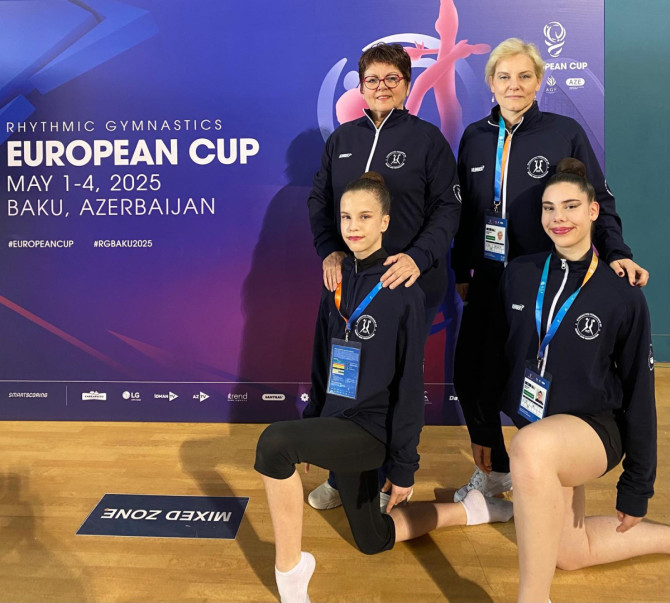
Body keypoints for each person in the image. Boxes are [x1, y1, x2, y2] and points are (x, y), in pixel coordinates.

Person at [256, 173, 510, 603]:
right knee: (373, 539)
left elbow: (410, 384)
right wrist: (313, 423)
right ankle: (472, 509)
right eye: (346, 217)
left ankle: (291, 569)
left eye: (365, 217)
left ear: (385, 222)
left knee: (274, 443)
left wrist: (404, 466)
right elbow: (321, 361)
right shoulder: (335, 278)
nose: (353, 226)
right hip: (337, 424)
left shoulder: (401, 288)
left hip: (372, 432)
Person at [451, 38, 650, 502]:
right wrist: (462, 268)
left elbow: (598, 198)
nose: (514, 85)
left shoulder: (564, 132)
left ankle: (546, 469)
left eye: (524, 76)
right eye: (504, 77)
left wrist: (617, 252)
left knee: (537, 371)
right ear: (491, 83)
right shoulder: (475, 136)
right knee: (472, 374)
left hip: (545, 282)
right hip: (491, 277)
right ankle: (495, 472)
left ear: (539, 81)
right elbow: (466, 211)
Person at [468, 158, 668, 602]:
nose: (559, 218)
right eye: (549, 208)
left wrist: (637, 487)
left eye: (571, 206)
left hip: (595, 429)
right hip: (542, 424)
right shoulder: (520, 274)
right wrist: (484, 430)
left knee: (529, 448)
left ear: (593, 211)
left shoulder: (622, 294)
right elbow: (494, 359)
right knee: (571, 552)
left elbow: (640, 394)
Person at [307, 42, 461, 510]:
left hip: (407, 285)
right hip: (351, 284)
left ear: (407, 85)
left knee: (395, 382)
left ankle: (390, 475)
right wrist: (330, 250)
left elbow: (448, 208)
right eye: (372, 79)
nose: (381, 87)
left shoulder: (427, 140)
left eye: (392, 79)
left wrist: (417, 257)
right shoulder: (342, 140)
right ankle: (341, 474)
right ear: (361, 86)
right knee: (344, 377)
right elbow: (319, 202)